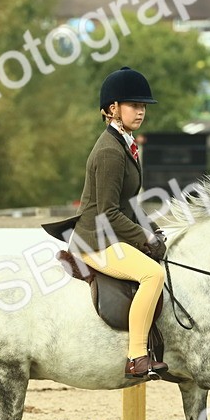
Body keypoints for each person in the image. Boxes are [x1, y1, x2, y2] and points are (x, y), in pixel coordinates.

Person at [42, 66, 168, 380]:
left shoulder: (126, 145)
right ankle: (137, 356)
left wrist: (151, 229)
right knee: (153, 274)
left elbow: (129, 203)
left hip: (110, 234)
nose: (140, 111)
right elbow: (108, 213)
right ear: (112, 109)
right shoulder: (111, 152)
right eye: (133, 105)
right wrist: (144, 238)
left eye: (142, 106)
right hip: (94, 240)